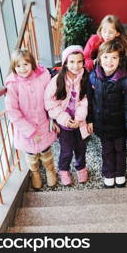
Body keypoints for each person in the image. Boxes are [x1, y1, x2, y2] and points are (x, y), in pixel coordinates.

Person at [87, 39, 127, 188]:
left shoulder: (125, 79)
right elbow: (90, 101)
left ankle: (120, 172)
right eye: (106, 57)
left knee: (120, 149)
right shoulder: (93, 77)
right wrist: (90, 120)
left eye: (114, 57)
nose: (109, 61)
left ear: (120, 60)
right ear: (99, 58)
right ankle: (109, 173)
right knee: (107, 150)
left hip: (120, 124)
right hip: (102, 123)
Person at [5, 49, 57, 189]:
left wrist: (55, 119)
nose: (22, 69)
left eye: (26, 64)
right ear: (14, 68)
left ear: (32, 63)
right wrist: (30, 132)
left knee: (46, 150)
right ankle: (35, 173)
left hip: (43, 123)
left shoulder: (42, 76)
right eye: (18, 66)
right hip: (25, 129)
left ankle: (50, 170)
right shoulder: (13, 84)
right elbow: (12, 111)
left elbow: (51, 98)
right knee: (30, 154)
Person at [44, 45, 89, 186]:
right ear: (65, 63)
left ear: (83, 62)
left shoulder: (85, 78)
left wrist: (79, 118)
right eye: (72, 62)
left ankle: (81, 167)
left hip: (80, 122)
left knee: (81, 148)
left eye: (79, 62)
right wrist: (64, 119)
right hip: (64, 124)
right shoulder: (57, 81)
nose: (76, 66)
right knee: (66, 150)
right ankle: (63, 170)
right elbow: (49, 102)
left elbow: (85, 100)